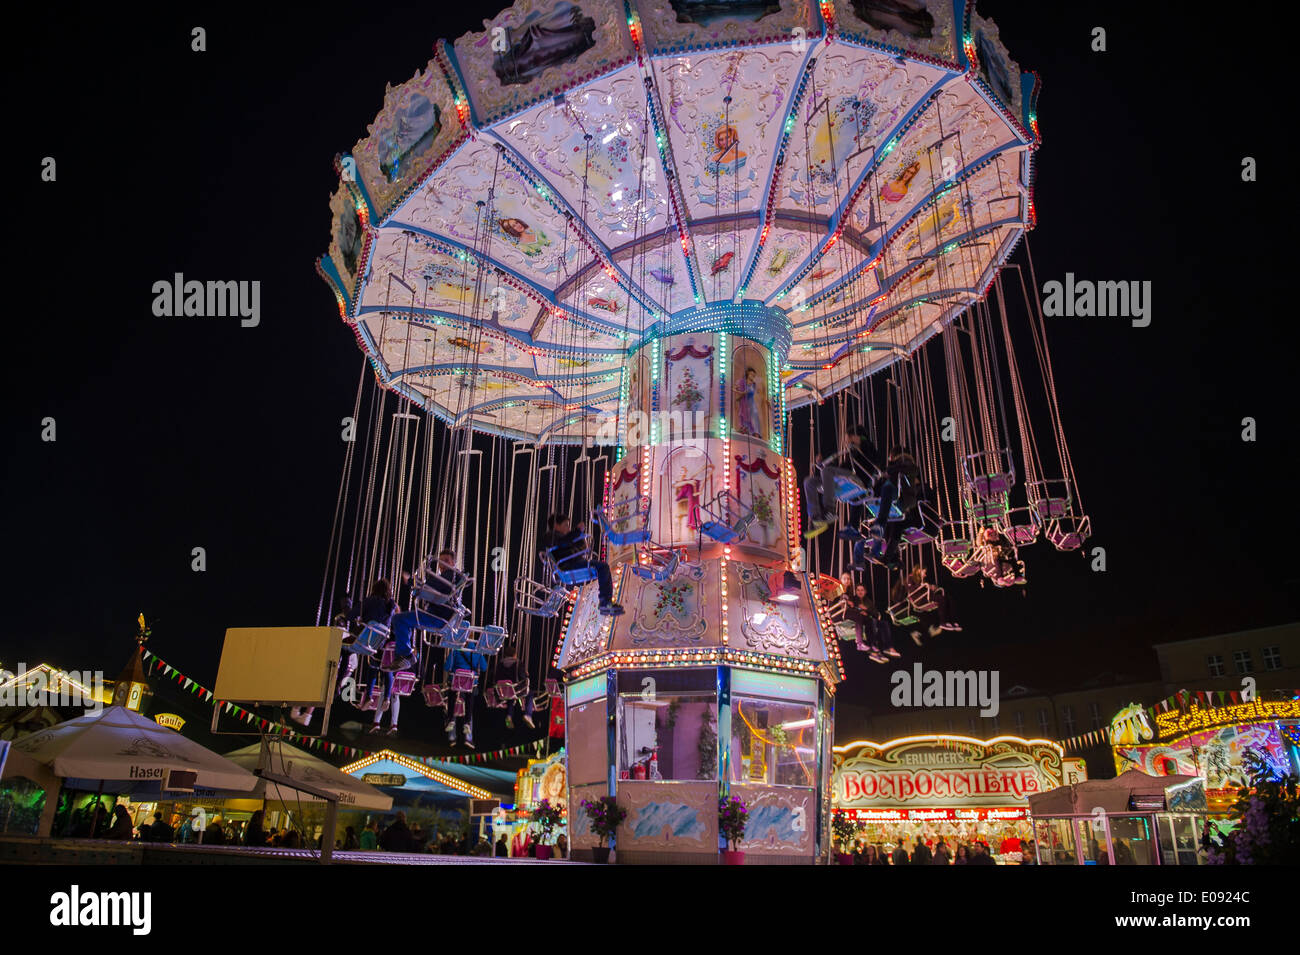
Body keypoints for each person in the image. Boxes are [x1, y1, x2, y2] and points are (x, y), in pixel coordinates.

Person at [803, 426, 881, 538]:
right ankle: (816, 519)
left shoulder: (867, 447)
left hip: (859, 479)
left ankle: (830, 510)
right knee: (809, 482)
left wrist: (861, 441)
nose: (845, 441)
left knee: (827, 471)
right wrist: (821, 464)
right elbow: (840, 468)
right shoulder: (852, 454)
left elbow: (876, 461)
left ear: (854, 437)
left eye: (847, 438)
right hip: (845, 479)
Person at [544, 513, 623, 615]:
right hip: (569, 565)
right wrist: (576, 531)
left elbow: (576, 546)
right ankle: (605, 603)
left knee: (601, 567)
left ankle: (605, 602)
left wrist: (579, 538)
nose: (568, 529)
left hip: (574, 562)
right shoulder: (552, 536)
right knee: (603, 567)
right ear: (556, 525)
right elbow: (563, 542)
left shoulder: (564, 538)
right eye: (565, 525)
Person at [495, 652, 535, 730]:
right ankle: (528, 715)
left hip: (503, 690)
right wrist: (526, 674)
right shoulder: (518, 663)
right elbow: (523, 676)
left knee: (511, 696)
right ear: (514, 655)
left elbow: (496, 676)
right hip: (516, 688)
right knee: (530, 693)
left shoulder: (500, 664)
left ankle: (509, 715)